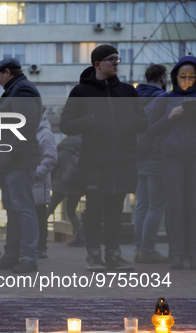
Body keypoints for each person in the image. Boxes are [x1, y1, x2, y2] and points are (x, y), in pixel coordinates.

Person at [60, 45, 147, 272]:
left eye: (117, 59)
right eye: (111, 59)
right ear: (97, 64)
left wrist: (130, 120)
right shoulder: (81, 92)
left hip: (123, 161)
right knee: (94, 210)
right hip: (94, 163)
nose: (116, 63)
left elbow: (142, 122)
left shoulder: (128, 91)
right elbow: (66, 124)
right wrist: (89, 120)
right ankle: (93, 256)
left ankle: (114, 256)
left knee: (115, 211)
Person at [0, 58, 42, 273]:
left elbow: (26, 125)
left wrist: (9, 153)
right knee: (12, 209)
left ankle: (29, 257)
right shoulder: (15, 90)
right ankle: (12, 254)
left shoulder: (23, 90)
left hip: (18, 161)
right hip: (10, 162)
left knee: (23, 208)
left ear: (7, 72)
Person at [148, 56, 196, 270]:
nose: (186, 81)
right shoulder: (165, 98)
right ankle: (177, 253)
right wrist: (169, 118)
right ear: (174, 77)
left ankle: (195, 254)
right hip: (171, 158)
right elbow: (149, 130)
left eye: (191, 77)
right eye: (182, 76)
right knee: (175, 206)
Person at [134, 64, 169, 265]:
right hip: (156, 155)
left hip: (138, 155)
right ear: (162, 78)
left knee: (142, 205)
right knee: (156, 206)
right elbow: (160, 127)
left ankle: (139, 249)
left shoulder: (136, 98)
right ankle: (147, 250)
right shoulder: (161, 98)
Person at [47, 135, 84, 247]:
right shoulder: (84, 146)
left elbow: (55, 164)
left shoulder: (65, 146)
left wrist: (50, 180)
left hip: (61, 184)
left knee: (49, 210)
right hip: (77, 185)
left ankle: (38, 236)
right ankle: (80, 236)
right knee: (71, 211)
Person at [32, 111, 57, 258]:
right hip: (30, 182)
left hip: (37, 183)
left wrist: (35, 173)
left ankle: (41, 246)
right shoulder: (29, 131)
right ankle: (35, 245)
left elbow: (51, 158)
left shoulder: (45, 133)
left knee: (39, 215)